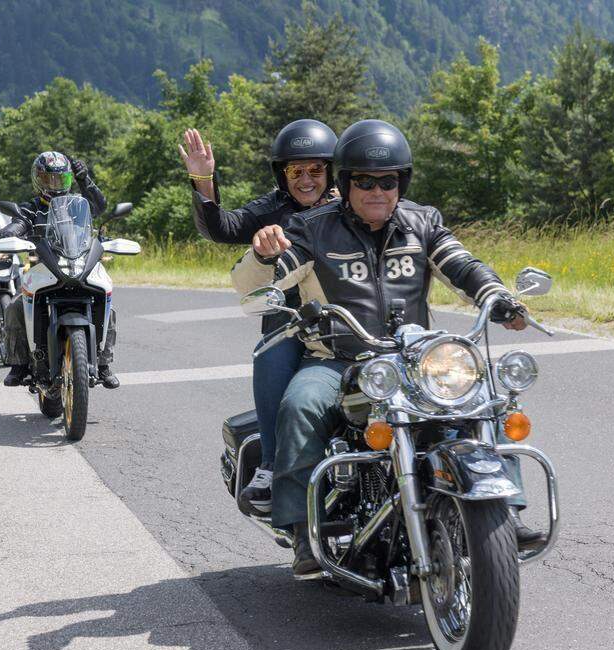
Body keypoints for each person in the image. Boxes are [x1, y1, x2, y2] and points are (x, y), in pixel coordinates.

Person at [231, 119, 545, 577]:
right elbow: (255, 282)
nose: (377, 190)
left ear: (401, 182)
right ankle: (302, 528)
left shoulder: (423, 223)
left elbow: (462, 265)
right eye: (364, 181)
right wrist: (262, 256)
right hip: (337, 359)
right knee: (299, 404)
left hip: (416, 360)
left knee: (485, 398)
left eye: (387, 181)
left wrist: (497, 296)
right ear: (346, 183)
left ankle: (503, 513)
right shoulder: (311, 229)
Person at [181, 120, 338, 518]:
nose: (306, 179)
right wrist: (203, 179)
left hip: (350, 318)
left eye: (315, 170)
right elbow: (220, 227)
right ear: (282, 175)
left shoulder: (352, 202)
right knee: (271, 350)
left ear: (332, 170)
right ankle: (270, 465)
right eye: (295, 171)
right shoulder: (274, 209)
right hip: (291, 319)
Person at [0, 151, 117, 389]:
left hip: (79, 263)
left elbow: (99, 207)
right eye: (48, 179)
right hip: (44, 268)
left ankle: (103, 364)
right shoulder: (32, 207)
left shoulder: (77, 204)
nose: (54, 184)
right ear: (38, 180)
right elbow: (19, 221)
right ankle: (19, 364)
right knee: (14, 307)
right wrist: (12, 232)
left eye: (60, 179)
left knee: (109, 306)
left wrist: (85, 180)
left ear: (68, 179)